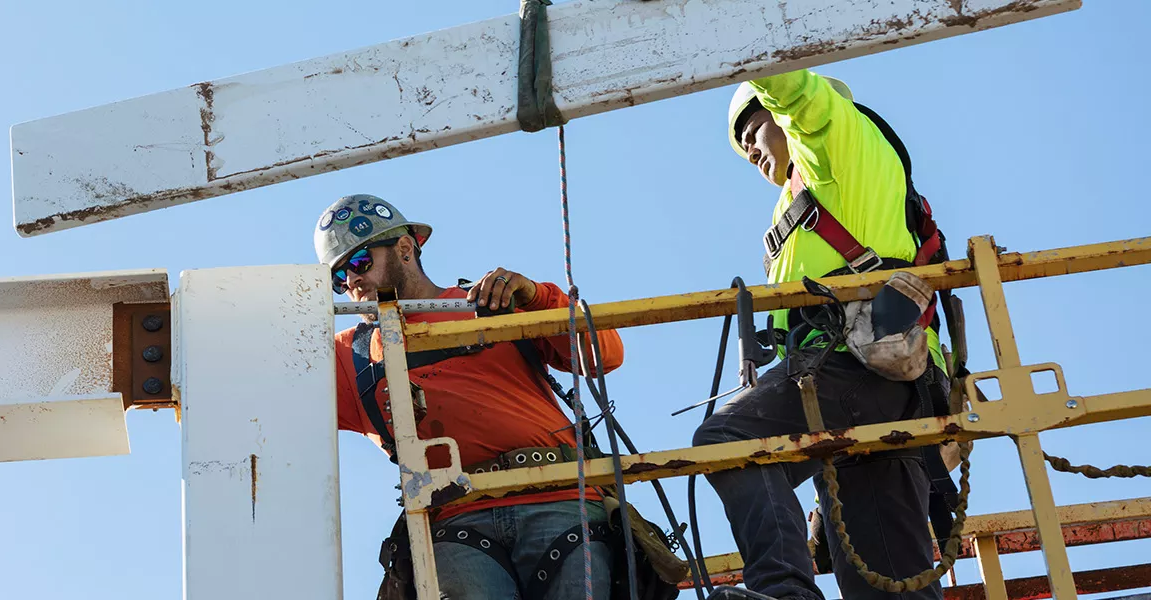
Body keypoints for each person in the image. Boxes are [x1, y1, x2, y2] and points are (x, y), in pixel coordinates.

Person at [692, 69, 954, 600]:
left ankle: (785, 592)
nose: (750, 150)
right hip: (893, 383)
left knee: (729, 440)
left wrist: (738, 47)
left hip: (850, 365)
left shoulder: (833, 139)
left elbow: (787, 83)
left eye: (753, 130)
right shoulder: (808, 194)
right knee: (885, 578)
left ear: (783, 116)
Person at [315, 194, 624, 599]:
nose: (351, 283)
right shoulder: (347, 356)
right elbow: (264, 400)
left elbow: (604, 355)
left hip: (557, 495)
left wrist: (536, 297)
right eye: (339, 278)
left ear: (405, 249)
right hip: (456, 520)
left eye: (359, 263)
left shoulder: (490, 304)